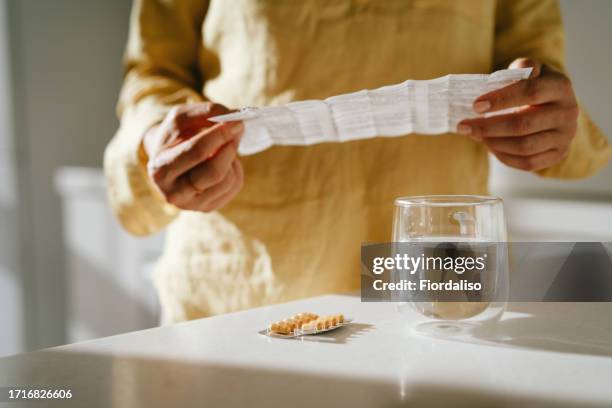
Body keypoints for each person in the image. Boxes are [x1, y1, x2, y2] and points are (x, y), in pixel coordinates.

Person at [105, 0, 610, 323]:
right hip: (246, 286)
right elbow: (151, 74)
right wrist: (160, 138)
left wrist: (549, 119)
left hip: (430, 282)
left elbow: (544, 82)